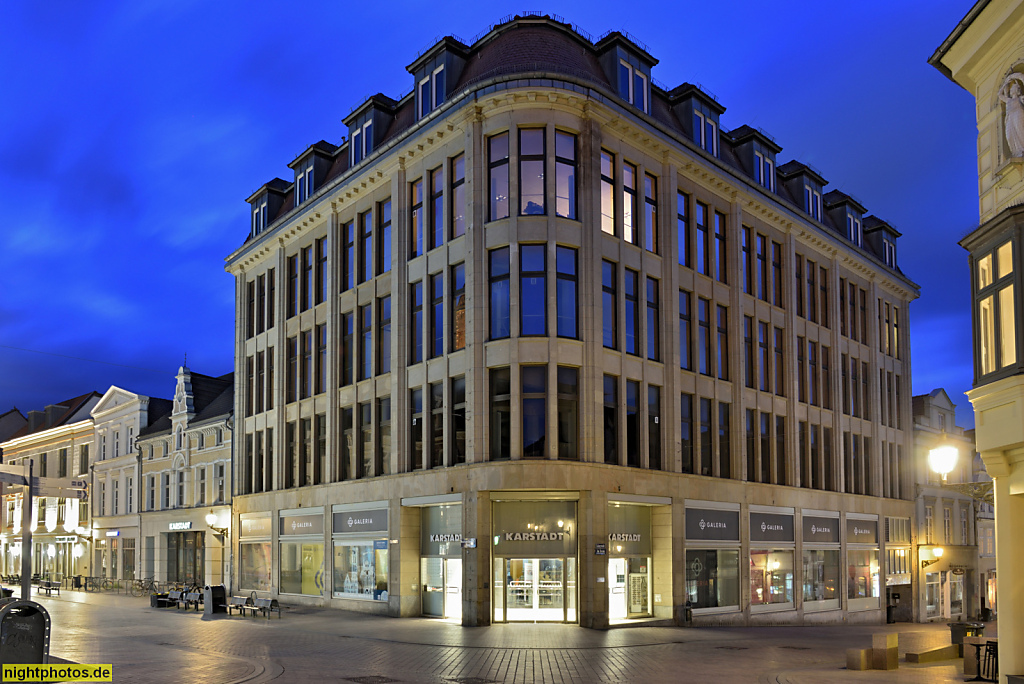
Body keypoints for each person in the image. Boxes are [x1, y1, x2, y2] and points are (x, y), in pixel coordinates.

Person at [1000, 74, 1024, 158]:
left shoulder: (1021, 98)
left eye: (1013, 87)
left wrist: (1016, 76)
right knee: (1009, 136)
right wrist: (1005, 83)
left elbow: (1022, 79)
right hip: (1010, 118)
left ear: (1017, 89)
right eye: (1011, 88)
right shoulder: (1008, 100)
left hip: (1018, 114)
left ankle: (1022, 151)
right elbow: (999, 95)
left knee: (1020, 132)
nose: (1011, 89)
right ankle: (1016, 153)